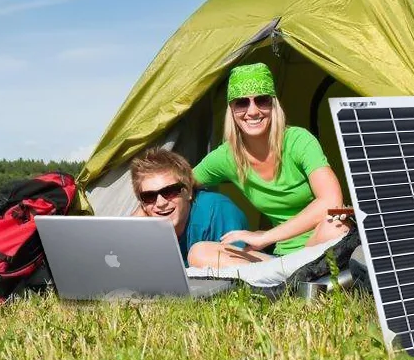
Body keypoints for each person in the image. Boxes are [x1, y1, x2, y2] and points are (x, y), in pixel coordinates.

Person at [193, 62, 350, 257]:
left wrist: (265, 237)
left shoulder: (298, 141)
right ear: (231, 110)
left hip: (318, 243)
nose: (252, 111)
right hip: (279, 256)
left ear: (273, 104)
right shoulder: (227, 155)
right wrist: (145, 211)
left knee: (334, 226)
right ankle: (287, 276)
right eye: (241, 102)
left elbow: (331, 201)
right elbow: (179, 183)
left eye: (261, 100)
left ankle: (295, 276)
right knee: (200, 253)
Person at [129, 147, 269, 268]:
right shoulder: (147, 224)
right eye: (149, 196)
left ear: (188, 192)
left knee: (199, 253)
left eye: (169, 192)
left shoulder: (216, 209)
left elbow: (246, 260)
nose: (160, 203)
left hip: (262, 269)